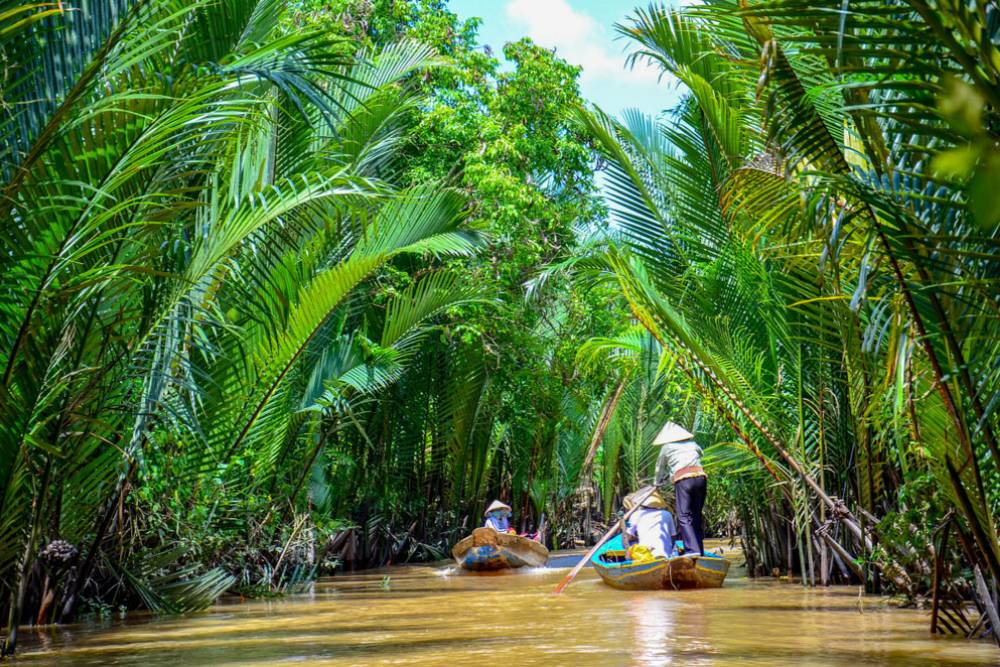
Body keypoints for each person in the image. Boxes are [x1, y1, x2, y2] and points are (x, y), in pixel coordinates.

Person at [653, 421, 707, 556]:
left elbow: (659, 468)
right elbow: (700, 455)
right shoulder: (693, 444)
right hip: (701, 478)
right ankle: (699, 550)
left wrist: (656, 483)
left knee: (684, 516)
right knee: (696, 515)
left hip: (684, 481)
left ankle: (692, 550)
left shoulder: (666, 447)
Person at [621, 487, 678, 559]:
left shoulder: (636, 515)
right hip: (665, 554)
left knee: (631, 543)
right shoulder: (667, 514)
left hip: (646, 555)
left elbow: (625, 540)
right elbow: (673, 538)